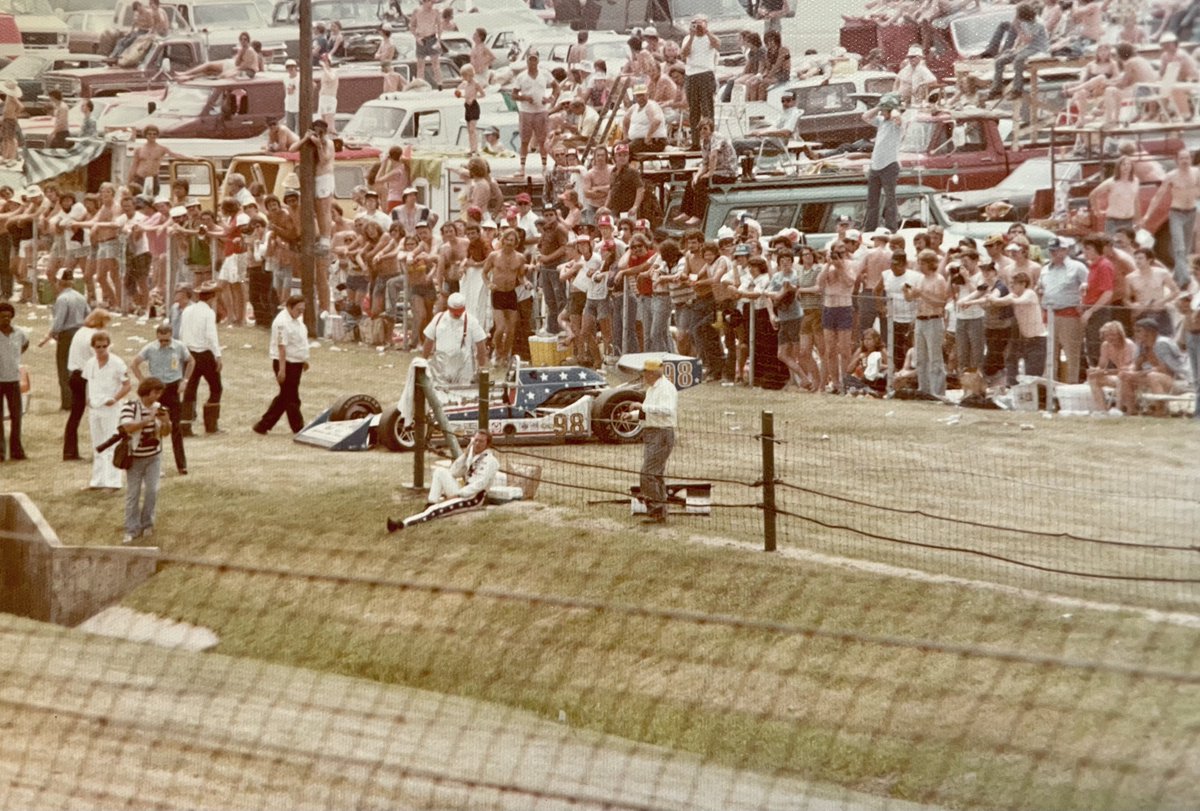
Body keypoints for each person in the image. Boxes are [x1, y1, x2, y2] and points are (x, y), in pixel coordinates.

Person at [386, 430, 499, 533]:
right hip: (464, 491)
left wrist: (457, 495)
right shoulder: (472, 455)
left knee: (438, 509)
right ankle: (431, 503)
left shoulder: (490, 461)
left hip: (474, 498)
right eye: (475, 440)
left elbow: (480, 484)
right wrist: (465, 454)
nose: (477, 444)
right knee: (440, 471)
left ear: (487, 444)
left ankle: (402, 524)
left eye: (481, 441)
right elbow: (453, 472)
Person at [132, 322, 192, 475]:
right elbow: (134, 364)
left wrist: (185, 380)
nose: (164, 343)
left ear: (171, 336)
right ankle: (156, 466)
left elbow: (191, 361)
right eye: (161, 340)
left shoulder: (179, 347)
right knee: (156, 428)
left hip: (173, 387)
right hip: (156, 389)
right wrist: (143, 381)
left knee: (175, 427)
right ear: (157, 337)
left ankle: (181, 465)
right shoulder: (150, 348)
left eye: (167, 340)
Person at [119, 376, 169, 543]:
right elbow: (127, 427)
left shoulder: (160, 408)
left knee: (152, 491)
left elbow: (165, 433)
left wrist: (166, 421)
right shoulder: (130, 406)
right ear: (147, 392)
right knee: (133, 494)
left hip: (153, 456)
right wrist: (148, 419)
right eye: (156, 392)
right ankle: (131, 528)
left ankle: (147, 523)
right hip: (135, 457)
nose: (159, 396)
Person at [252, 295, 309, 435]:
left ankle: (263, 425)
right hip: (286, 362)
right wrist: (282, 370)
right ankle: (298, 427)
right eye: (298, 310)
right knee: (292, 397)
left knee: (285, 397)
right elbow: (281, 347)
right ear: (289, 307)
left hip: (296, 361)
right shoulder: (282, 322)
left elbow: (300, 341)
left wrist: (304, 359)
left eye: (302, 310)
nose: (300, 313)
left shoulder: (297, 319)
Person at [1142, 148, 1199, 288]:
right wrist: (1148, 215)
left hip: (1191, 212)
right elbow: (1158, 196)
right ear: (1177, 161)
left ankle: (1178, 278)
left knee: (1185, 250)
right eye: (1182, 158)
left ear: (1191, 160)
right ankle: (1184, 279)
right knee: (1179, 248)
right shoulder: (1171, 176)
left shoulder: (1197, 173)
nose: (1185, 161)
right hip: (1176, 213)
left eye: (1187, 158)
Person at [82, 329, 129, 489]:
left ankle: (113, 482)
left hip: (111, 409)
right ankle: (97, 481)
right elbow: (88, 381)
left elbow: (127, 385)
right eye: (98, 347)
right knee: (98, 444)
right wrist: (88, 398)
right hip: (95, 408)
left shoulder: (117, 363)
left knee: (111, 444)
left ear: (109, 346)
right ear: (93, 347)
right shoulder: (90, 363)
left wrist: (114, 399)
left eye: (104, 346)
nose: (101, 350)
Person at [1038, 236, 1089, 383]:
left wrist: (1083, 305)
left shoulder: (1078, 267)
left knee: (1071, 354)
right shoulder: (1045, 269)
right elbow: (1040, 287)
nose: (1053, 253)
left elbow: (1088, 287)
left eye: (1057, 249)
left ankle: (1072, 386)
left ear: (1065, 250)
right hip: (1049, 314)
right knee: (1050, 354)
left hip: (1069, 314)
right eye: (1051, 250)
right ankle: (1050, 389)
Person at [634, 357, 677, 524]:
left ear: (652, 373)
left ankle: (657, 509)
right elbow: (649, 412)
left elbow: (667, 410)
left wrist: (642, 407)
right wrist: (630, 415)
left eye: (645, 372)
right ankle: (660, 511)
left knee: (648, 473)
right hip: (653, 432)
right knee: (656, 474)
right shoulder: (652, 389)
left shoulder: (666, 388)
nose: (643, 376)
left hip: (662, 433)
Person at [38, 269, 88, 411]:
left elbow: (59, 321)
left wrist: (49, 336)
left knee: (64, 369)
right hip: (81, 333)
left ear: (59, 282)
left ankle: (67, 403)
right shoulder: (81, 297)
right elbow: (88, 315)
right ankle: (79, 400)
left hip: (67, 335)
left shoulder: (62, 299)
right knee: (78, 368)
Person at [1118, 318, 1191, 414]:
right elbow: (1136, 366)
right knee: (1125, 377)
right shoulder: (1142, 345)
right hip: (1157, 378)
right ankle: (1131, 411)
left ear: (1150, 332)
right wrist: (1130, 371)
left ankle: (1161, 411)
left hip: (1179, 381)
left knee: (1153, 376)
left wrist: (1137, 374)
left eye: (1139, 331)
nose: (1136, 334)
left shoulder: (1162, 344)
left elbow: (1166, 370)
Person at [179, 281, 223, 435]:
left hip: (189, 353)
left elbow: (182, 332)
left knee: (190, 389)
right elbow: (211, 336)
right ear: (212, 297)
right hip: (204, 354)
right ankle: (211, 425)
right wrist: (217, 355)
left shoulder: (187, 310)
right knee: (216, 387)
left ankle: (185, 425)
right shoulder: (208, 313)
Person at [904, 248, 949, 397]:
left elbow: (941, 302)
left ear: (930, 263)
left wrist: (922, 293)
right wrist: (906, 292)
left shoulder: (939, 279)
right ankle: (923, 389)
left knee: (935, 358)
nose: (919, 265)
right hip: (920, 320)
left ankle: (937, 391)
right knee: (920, 357)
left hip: (933, 320)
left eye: (921, 262)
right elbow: (911, 298)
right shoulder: (920, 279)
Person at [985, 2, 1048, 101]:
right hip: (1026, 47)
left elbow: (1027, 39)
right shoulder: (1024, 22)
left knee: (1018, 60)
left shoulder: (1038, 23)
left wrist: (1017, 27)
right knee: (999, 61)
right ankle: (996, 88)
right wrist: (1015, 48)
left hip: (1037, 48)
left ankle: (1017, 89)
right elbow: (1020, 38)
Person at [422, 291, 486, 385]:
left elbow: (481, 345)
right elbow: (428, 341)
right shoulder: (438, 318)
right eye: (454, 311)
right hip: (441, 365)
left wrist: (481, 366)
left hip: (464, 368)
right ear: (448, 308)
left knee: (463, 395)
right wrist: (423, 361)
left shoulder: (471, 321)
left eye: (460, 311)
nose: (457, 314)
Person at [862, 94, 903, 232]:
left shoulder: (895, 124)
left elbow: (898, 118)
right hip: (875, 165)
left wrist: (893, 109)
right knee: (872, 201)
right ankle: (870, 228)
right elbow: (865, 116)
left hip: (889, 165)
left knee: (890, 200)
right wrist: (879, 106)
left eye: (884, 110)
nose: (881, 113)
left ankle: (891, 228)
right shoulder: (881, 121)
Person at [681, 15, 718, 150]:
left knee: (707, 109)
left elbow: (718, 44)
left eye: (700, 24)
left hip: (706, 74)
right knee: (694, 110)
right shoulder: (687, 39)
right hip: (692, 75)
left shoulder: (709, 37)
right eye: (694, 24)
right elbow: (684, 54)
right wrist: (691, 36)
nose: (698, 27)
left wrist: (706, 31)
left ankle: (710, 141)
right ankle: (695, 142)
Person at [513, 52, 552, 178]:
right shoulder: (521, 77)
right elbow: (513, 95)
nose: (532, 62)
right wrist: (524, 97)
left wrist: (550, 98)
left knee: (542, 140)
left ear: (538, 61)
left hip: (541, 110)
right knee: (525, 140)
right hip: (526, 111)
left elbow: (556, 87)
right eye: (530, 60)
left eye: (534, 60)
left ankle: (544, 167)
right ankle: (522, 168)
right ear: (527, 61)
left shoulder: (544, 74)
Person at [298, 119, 335, 250]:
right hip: (315, 179)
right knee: (318, 209)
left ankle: (326, 238)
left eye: (321, 132)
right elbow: (292, 149)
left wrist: (319, 145)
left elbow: (324, 160)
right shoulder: (311, 141)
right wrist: (305, 139)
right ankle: (321, 237)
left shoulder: (328, 143)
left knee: (325, 209)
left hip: (325, 177)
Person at [1086, 320, 1136, 413]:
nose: (1109, 338)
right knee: (1094, 378)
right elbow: (1101, 366)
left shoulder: (1128, 345)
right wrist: (1094, 371)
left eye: (1112, 334)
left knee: (1122, 376)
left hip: (1131, 378)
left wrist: (1105, 372)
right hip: (1118, 376)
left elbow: (1126, 369)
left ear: (1120, 334)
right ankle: (1102, 410)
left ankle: (1118, 410)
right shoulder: (1106, 345)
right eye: (1106, 335)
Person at [0, 301, 27, 461]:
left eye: (8, 317)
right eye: (2, 317)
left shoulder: (19, 333)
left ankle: (17, 451)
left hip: (13, 380)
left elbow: (25, 345)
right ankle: (0, 452)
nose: (5, 319)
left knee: (16, 417)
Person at [410, 0, 444, 87]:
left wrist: (439, 40)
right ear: (424, 2)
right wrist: (417, 38)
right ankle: (420, 85)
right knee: (420, 65)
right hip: (421, 38)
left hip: (432, 38)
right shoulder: (417, 11)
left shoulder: (435, 11)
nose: (431, 5)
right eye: (430, 2)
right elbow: (412, 26)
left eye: (433, 3)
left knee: (436, 64)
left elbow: (440, 26)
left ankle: (439, 84)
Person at [456, 65, 486, 154]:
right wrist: (460, 95)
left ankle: (475, 148)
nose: (464, 78)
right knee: (469, 129)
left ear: (470, 74)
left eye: (465, 75)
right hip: (467, 106)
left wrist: (474, 97)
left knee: (473, 129)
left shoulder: (476, 83)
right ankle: (471, 147)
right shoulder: (465, 84)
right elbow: (463, 93)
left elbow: (483, 94)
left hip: (473, 106)